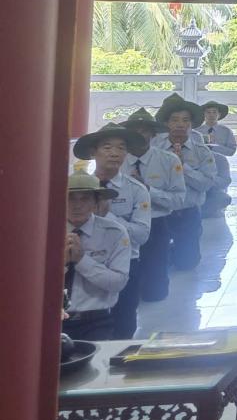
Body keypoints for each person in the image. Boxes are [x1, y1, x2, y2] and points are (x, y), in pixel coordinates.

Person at [74, 124, 152, 338]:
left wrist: (107, 217)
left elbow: (142, 235)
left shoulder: (136, 190)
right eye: (107, 147)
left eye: (121, 148)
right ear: (93, 152)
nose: (115, 153)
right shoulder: (75, 188)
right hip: (81, 261)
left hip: (125, 263)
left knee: (124, 325)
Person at [119, 108, 187, 302]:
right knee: (125, 288)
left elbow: (179, 200)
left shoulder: (169, 160)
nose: (139, 135)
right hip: (124, 224)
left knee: (155, 293)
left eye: (144, 130)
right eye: (134, 131)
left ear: (153, 134)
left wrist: (148, 190)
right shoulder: (117, 160)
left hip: (157, 222)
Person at [61, 170, 130, 341]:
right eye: (70, 198)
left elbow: (118, 282)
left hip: (96, 321)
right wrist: (61, 264)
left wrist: (81, 261)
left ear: (96, 203)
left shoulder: (114, 233)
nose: (77, 205)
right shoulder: (46, 231)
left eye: (84, 199)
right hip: (52, 319)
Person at [154, 93, 216, 272]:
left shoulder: (201, 151)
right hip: (160, 211)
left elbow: (206, 183)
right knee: (157, 263)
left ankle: (177, 250)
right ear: (167, 123)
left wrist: (182, 167)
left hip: (188, 212)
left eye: (185, 120)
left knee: (187, 264)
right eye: (174, 120)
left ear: (191, 124)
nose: (180, 124)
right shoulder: (155, 149)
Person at [196, 100, 236, 215]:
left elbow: (232, 151)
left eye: (214, 112)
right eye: (208, 112)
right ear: (204, 114)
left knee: (220, 188)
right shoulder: (196, 131)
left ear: (219, 115)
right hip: (201, 164)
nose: (211, 115)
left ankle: (218, 209)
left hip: (220, 165)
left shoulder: (226, 131)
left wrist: (216, 147)